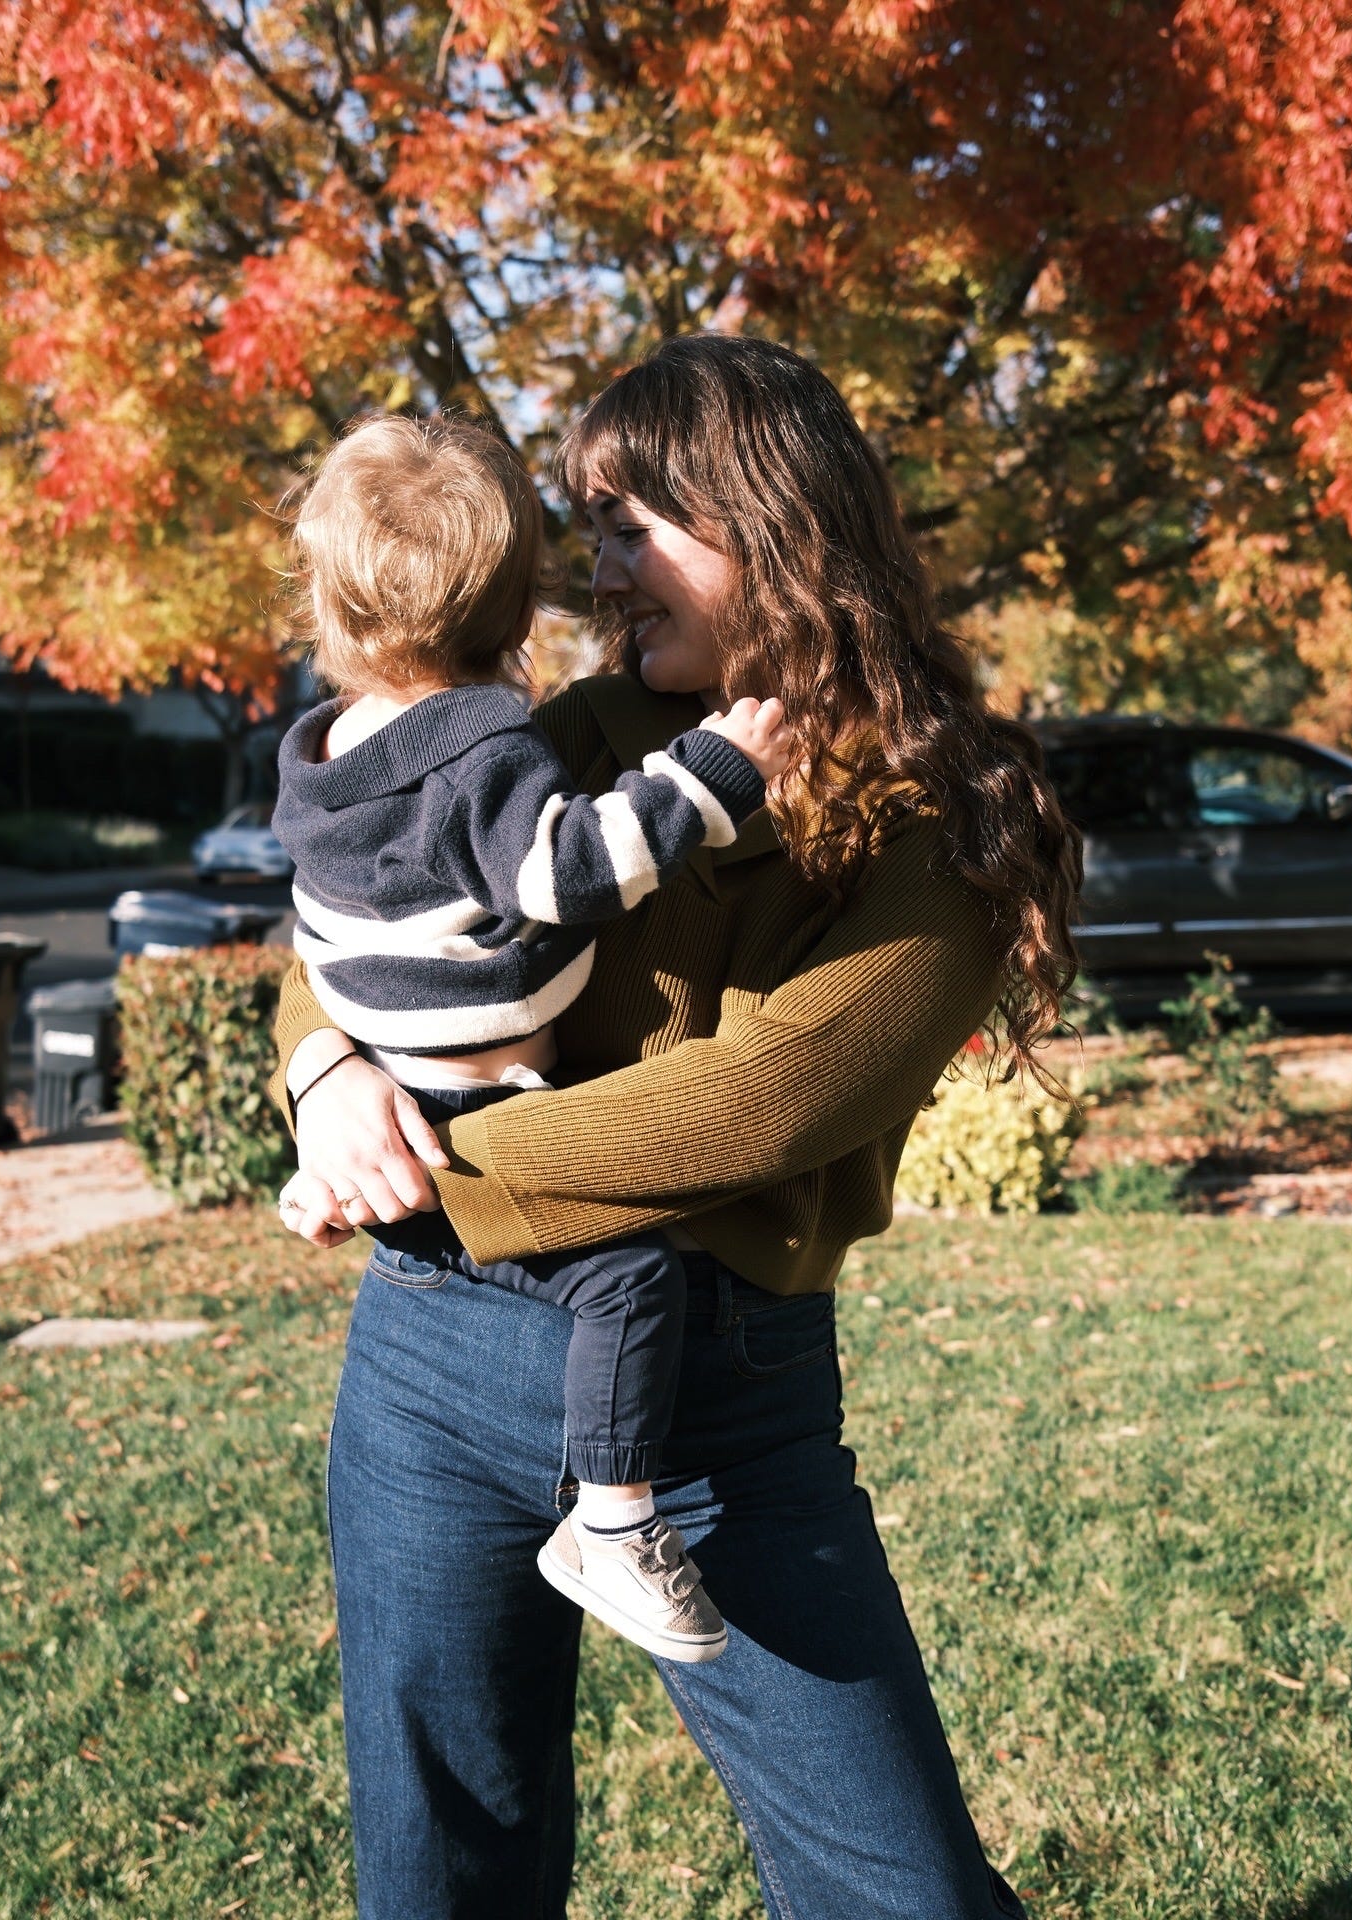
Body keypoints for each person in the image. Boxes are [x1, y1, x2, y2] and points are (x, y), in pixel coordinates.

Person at [272, 334, 1081, 1920]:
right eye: (590, 532)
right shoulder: (566, 737)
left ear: (768, 524)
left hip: (712, 1405)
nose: (597, 574)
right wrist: (326, 1075)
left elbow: (763, 1101)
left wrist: (427, 1157)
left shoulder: (954, 811)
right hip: (430, 1362)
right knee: (440, 1865)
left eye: (634, 527)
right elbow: (354, 918)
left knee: (897, 1892)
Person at [272, 411, 793, 1662]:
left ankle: (345, 1183)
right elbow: (565, 872)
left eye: (633, 533)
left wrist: (336, 1068)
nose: (607, 575)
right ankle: (613, 1519)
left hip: (396, 1066)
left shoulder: (326, 747)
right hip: (475, 1103)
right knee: (630, 1279)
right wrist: (709, 780)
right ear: (514, 615)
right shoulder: (483, 744)